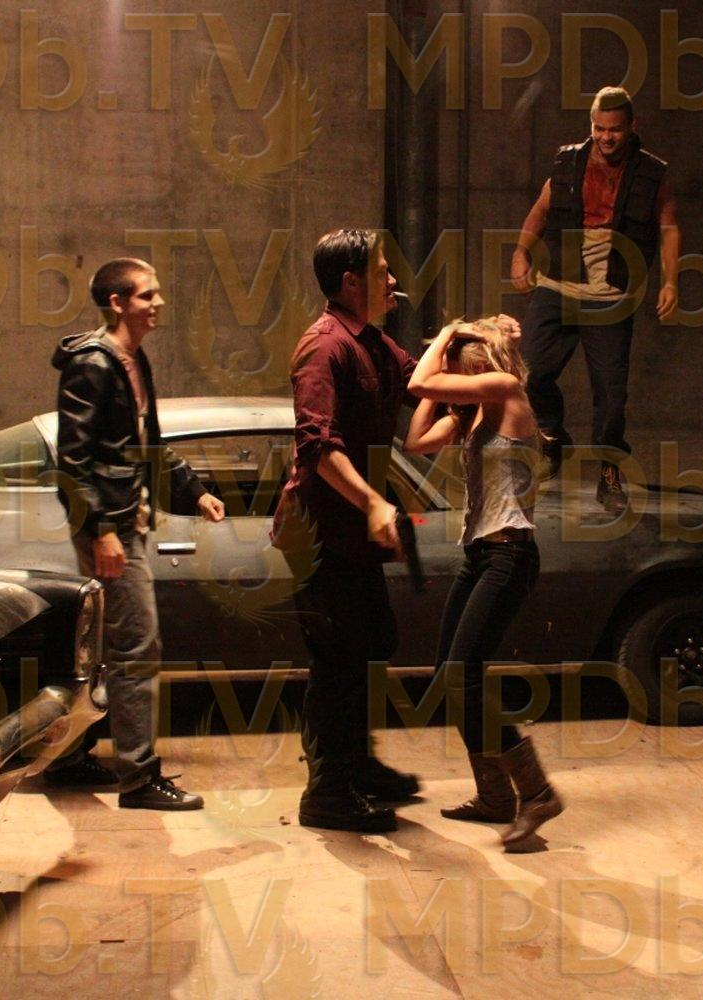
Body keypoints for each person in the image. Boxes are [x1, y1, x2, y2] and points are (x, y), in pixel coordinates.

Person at [48, 257, 225, 810]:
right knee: (137, 650)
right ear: (118, 303)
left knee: (102, 649)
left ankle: (69, 757)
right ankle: (140, 780)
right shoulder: (93, 365)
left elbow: (147, 444)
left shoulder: (131, 359)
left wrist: (193, 490)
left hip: (128, 518)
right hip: (114, 526)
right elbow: (72, 462)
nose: (158, 303)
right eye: (148, 295)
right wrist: (101, 531)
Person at [272, 229, 422, 833]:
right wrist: (373, 503)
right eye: (383, 271)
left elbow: (420, 380)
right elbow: (317, 447)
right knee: (337, 660)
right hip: (319, 533)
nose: (393, 281)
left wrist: (469, 338)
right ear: (351, 281)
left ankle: (357, 764)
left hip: (351, 533)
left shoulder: (375, 344)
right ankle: (328, 793)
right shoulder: (324, 347)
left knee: (369, 643)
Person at [404, 315, 564, 851]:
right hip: (479, 556)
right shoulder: (472, 414)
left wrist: (446, 333)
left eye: (456, 367)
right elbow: (416, 441)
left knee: (463, 677)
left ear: (475, 366)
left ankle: (537, 792)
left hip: (509, 554)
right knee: (449, 677)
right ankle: (494, 796)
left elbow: (419, 383)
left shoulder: (507, 389)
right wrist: (445, 393)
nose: (450, 374)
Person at [509, 85, 681, 513]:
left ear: (631, 127)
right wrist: (520, 253)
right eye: (599, 129)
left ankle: (609, 473)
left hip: (611, 297)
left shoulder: (651, 173)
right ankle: (552, 435)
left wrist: (671, 282)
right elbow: (541, 209)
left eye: (615, 130)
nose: (606, 137)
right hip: (558, 286)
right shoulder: (568, 161)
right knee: (530, 372)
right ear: (591, 126)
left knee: (611, 397)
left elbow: (669, 227)